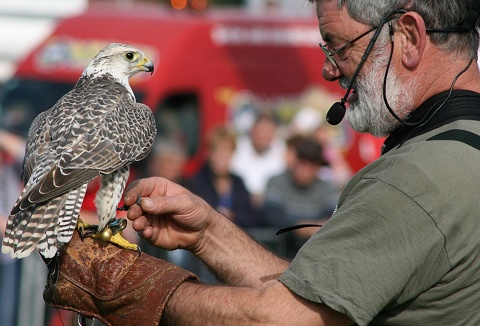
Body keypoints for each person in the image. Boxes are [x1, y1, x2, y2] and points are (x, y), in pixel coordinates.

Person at [44, 0, 480, 325]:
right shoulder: (459, 152)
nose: (329, 72)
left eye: (338, 46)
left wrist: (125, 283)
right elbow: (321, 299)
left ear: (408, 36)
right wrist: (209, 233)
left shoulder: (415, 179)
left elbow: (280, 320)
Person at [261, 135, 339, 257]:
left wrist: (314, 228)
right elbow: (270, 215)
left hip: (316, 253)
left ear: (317, 167)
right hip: (280, 252)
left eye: (310, 165)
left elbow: (335, 215)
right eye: (302, 163)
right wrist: (299, 227)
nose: (304, 169)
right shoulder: (276, 181)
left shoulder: (326, 187)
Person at [185, 126, 259, 229]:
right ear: (209, 153)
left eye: (226, 153)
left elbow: (250, 217)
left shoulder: (238, 183)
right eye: (218, 152)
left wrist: (233, 216)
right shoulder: (196, 182)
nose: (221, 159)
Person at [230, 113, 286, 207]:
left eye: (270, 131)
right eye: (262, 130)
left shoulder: (280, 149)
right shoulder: (239, 148)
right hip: (241, 202)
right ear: (252, 131)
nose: (266, 135)